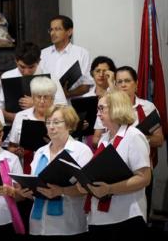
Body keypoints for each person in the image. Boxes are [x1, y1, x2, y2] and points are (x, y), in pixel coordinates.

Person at [78, 90, 150, 240]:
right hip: (99, 218)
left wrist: (110, 189)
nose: (97, 113)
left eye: (101, 108)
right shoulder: (104, 139)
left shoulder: (133, 136)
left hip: (126, 217)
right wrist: (85, 184)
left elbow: (144, 178)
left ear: (116, 108)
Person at [92, 66, 163, 218]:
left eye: (127, 81)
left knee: (138, 204)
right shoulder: (105, 108)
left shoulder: (147, 107)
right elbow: (97, 138)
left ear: (136, 84)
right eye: (119, 82)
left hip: (139, 165)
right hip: (112, 167)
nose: (123, 85)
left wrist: (133, 138)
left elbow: (159, 139)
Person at [19, 105, 92, 239]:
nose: (51, 127)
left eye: (56, 122)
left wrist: (61, 191)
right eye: (48, 122)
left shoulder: (81, 150)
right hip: (38, 225)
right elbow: (36, 184)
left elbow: (87, 188)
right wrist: (27, 192)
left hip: (68, 226)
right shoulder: (40, 152)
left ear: (69, 125)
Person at [0, 42, 67, 123]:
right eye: (22, 67)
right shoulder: (6, 76)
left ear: (39, 61)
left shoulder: (51, 78)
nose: (26, 72)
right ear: (16, 61)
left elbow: (63, 106)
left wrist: (37, 104)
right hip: (12, 124)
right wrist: (16, 118)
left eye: (31, 67)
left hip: (44, 124)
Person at [7, 76, 56, 174]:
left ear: (52, 99)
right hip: (25, 167)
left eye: (46, 97)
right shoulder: (21, 116)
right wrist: (17, 151)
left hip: (52, 167)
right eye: (38, 96)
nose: (42, 101)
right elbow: (11, 147)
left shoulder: (58, 117)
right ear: (32, 97)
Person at [39, 15, 93, 99]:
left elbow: (86, 85)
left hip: (72, 106)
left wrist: (67, 94)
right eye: (51, 30)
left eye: (57, 29)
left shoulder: (82, 53)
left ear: (69, 32)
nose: (52, 33)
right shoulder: (43, 54)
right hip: (47, 105)